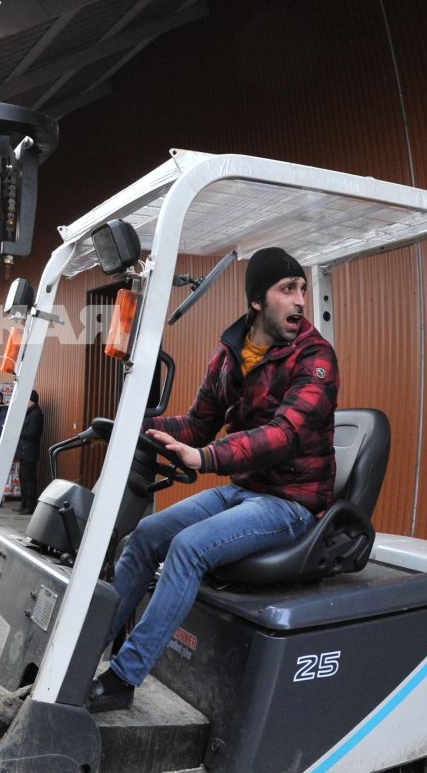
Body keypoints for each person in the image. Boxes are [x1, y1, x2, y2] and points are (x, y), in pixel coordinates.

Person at [87, 247, 338, 713]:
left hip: (291, 502)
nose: (300, 300)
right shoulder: (230, 355)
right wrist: (140, 432)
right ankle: (81, 656)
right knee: (144, 536)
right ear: (257, 301)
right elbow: (198, 424)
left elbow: (282, 436)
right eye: (288, 289)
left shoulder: (315, 358)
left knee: (188, 547)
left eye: (302, 288)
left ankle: (124, 677)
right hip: (243, 490)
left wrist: (205, 457)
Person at [14, 389, 45, 513]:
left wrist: (17, 431)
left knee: (29, 480)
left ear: (31, 401)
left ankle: (30, 507)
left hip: (30, 453)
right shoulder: (29, 413)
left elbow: (31, 433)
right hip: (24, 452)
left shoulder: (36, 414)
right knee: (23, 479)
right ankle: (23, 504)